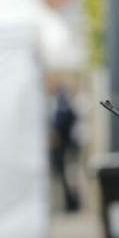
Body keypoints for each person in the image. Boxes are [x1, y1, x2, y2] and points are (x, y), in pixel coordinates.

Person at [49, 83, 80, 212]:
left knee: (68, 176)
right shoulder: (63, 104)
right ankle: (70, 204)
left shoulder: (62, 105)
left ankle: (71, 204)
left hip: (66, 147)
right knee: (65, 176)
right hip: (66, 146)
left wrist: (57, 134)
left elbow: (61, 122)